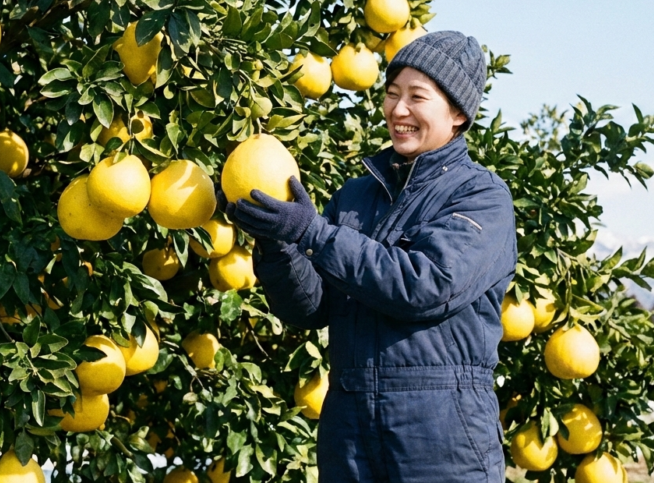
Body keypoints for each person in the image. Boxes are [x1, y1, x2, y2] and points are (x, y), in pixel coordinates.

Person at [222, 31, 518, 483]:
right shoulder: (358, 194)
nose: (398, 110)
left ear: (458, 113)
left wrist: (312, 232)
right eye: (392, 93)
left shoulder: (481, 197)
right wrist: (277, 242)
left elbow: (426, 285)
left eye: (417, 97)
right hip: (351, 437)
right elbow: (312, 307)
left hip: (442, 441)